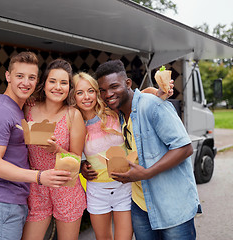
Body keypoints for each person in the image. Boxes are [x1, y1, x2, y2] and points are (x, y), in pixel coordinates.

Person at [94, 59, 200, 240]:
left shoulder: (152, 105)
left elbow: (184, 148)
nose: (108, 94)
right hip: (140, 206)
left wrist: (147, 173)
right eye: (102, 90)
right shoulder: (119, 114)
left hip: (171, 206)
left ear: (127, 83)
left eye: (113, 87)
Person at [0, 52, 71, 240]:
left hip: (12, 202)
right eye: (20, 76)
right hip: (2, 203)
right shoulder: (1, 112)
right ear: (8, 76)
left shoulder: (17, 109)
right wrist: (39, 176)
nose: (25, 83)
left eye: (32, 78)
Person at [22, 59, 87, 240]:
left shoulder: (73, 115)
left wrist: (56, 149)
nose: (58, 87)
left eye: (64, 83)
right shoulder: (29, 106)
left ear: (69, 89)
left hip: (65, 185)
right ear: (44, 84)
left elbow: (76, 159)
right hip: (37, 184)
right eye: (53, 81)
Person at [71, 72, 133, 240]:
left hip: (124, 188)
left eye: (90, 91)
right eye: (79, 92)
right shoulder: (75, 124)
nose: (86, 97)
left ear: (97, 92)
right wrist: (83, 163)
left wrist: (159, 92)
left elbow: (140, 95)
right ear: (73, 97)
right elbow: (74, 153)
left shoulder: (114, 112)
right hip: (97, 192)